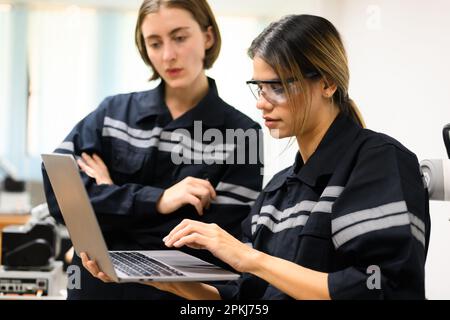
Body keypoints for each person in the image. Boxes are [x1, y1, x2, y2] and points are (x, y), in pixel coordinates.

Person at [82, 14, 430, 300]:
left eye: (277, 87)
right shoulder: (278, 192)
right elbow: (245, 301)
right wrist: (162, 279)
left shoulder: (379, 162)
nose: (262, 103)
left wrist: (250, 258)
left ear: (326, 83)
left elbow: (381, 288)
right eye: (259, 88)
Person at [42, 0, 263, 300]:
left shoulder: (242, 135)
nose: (168, 55)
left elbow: (217, 248)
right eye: (154, 43)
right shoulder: (112, 114)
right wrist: (159, 200)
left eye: (180, 38)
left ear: (207, 37)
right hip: (94, 289)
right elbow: (62, 196)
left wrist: (110, 198)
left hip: (176, 298)